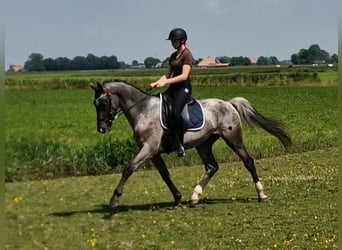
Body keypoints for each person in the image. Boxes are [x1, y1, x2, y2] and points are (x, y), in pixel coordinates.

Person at [150, 28, 194, 157]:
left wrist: (166, 82)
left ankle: (180, 144)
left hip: (183, 88)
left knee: (175, 112)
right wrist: (157, 82)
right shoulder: (173, 56)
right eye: (172, 41)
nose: (172, 43)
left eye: (174, 40)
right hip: (173, 88)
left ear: (182, 41)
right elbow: (166, 74)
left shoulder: (187, 55)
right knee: (159, 105)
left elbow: (184, 76)